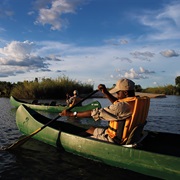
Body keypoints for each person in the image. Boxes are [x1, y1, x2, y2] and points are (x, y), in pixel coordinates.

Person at [61, 78, 136, 144]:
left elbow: (94, 113)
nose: (116, 95)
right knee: (91, 129)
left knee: (82, 139)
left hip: (114, 139)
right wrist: (106, 92)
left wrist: (71, 114)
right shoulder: (134, 102)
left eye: (117, 92)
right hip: (124, 136)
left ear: (125, 93)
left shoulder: (121, 107)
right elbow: (118, 104)